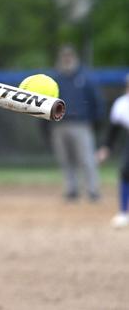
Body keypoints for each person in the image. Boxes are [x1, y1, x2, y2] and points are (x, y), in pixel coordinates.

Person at [50, 44, 105, 201]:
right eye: (64, 57)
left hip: (81, 123)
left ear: (74, 58)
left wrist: (95, 122)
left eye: (69, 56)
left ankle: (93, 190)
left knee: (87, 159)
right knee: (66, 160)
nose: (67, 59)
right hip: (59, 124)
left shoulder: (84, 77)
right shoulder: (55, 78)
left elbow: (96, 101)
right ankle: (71, 190)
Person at [97, 74, 129, 228]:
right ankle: (123, 212)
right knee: (125, 171)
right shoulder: (122, 104)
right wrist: (106, 148)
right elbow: (113, 130)